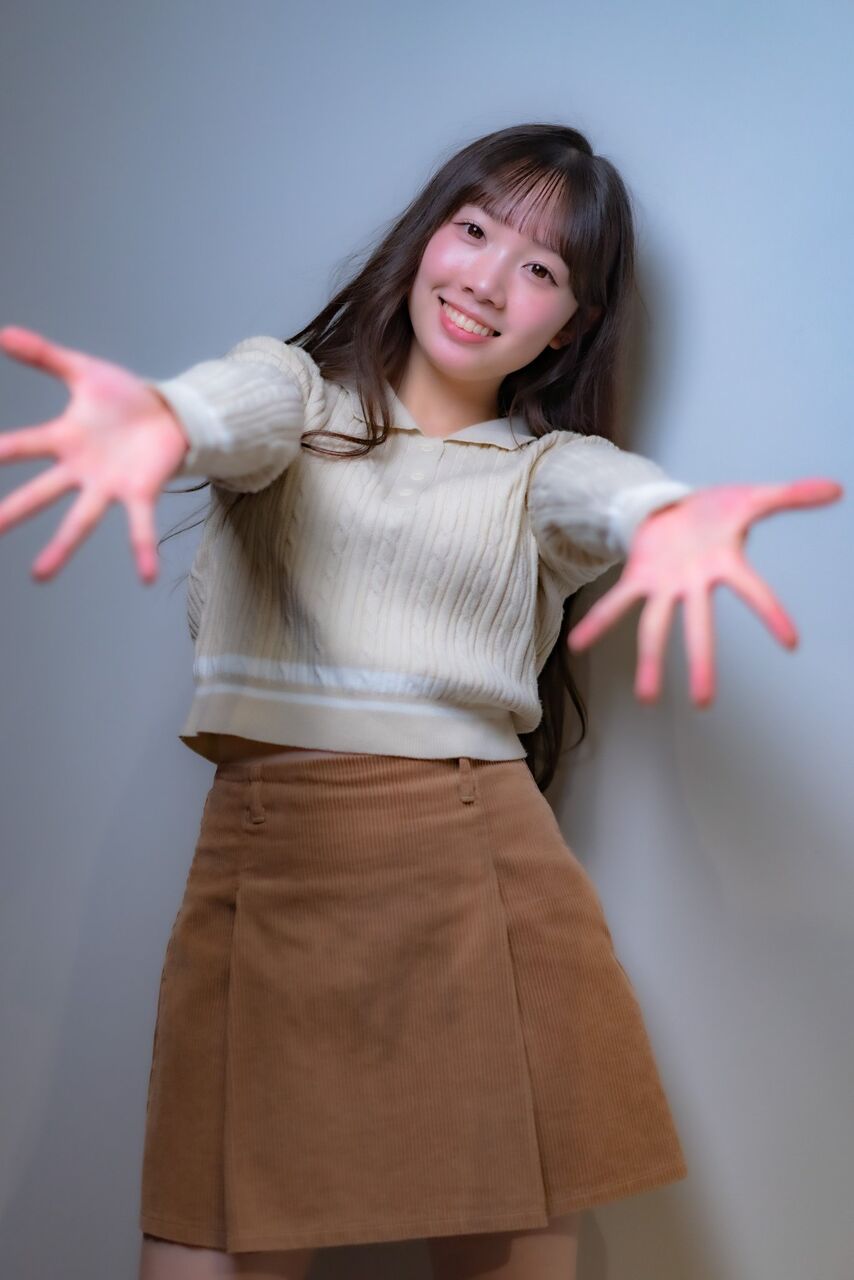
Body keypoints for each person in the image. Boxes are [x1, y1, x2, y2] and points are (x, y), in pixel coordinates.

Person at [0, 122, 841, 1280]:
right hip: (269, 863)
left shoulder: (539, 473)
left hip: (482, 874)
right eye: (474, 229)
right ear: (426, 234)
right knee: (208, 1233)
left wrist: (669, 517)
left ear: (571, 323)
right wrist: (164, 419)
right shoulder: (293, 400)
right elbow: (230, 405)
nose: (487, 282)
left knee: (511, 1240)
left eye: (539, 268)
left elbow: (612, 493)